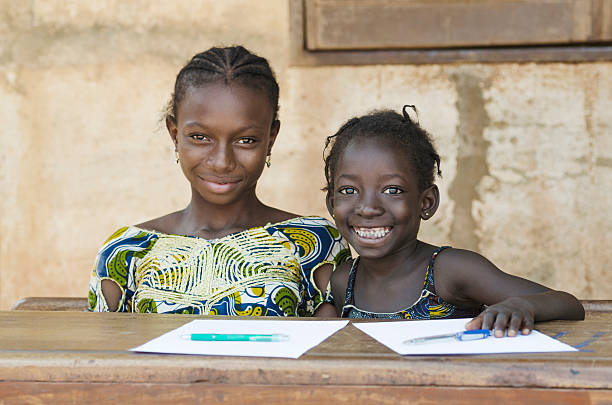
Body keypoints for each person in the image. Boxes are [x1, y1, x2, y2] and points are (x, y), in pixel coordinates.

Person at [88, 46, 349, 316]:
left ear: (270, 139)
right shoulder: (127, 251)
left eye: (245, 140)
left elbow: (329, 350)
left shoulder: (314, 243)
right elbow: (110, 354)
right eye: (200, 137)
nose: (222, 161)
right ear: (174, 134)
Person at [323, 106, 584, 336]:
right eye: (348, 191)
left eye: (392, 190)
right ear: (332, 204)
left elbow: (569, 304)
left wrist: (520, 305)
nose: (368, 208)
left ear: (426, 203)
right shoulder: (344, 281)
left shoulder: (449, 271)